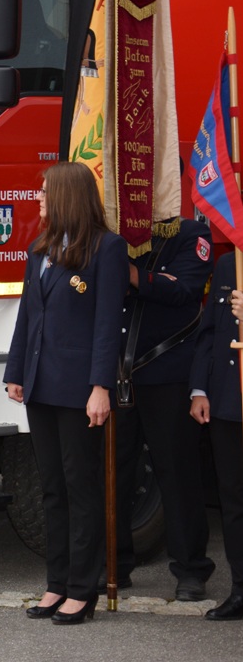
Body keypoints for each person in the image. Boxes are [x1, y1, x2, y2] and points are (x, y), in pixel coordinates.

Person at [4, 162, 127, 625]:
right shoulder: (41, 249)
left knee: (81, 488)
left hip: (79, 391)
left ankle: (83, 589)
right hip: (40, 386)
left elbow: (106, 326)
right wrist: (16, 371)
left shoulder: (107, 249)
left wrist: (101, 386)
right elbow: (27, 316)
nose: (38, 199)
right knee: (51, 489)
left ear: (67, 196)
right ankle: (56, 583)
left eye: (43, 193)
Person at [110, 216, 214, 599]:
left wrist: (132, 275)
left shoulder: (191, 233)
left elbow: (183, 290)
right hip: (118, 370)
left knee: (177, 472)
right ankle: (114, 563)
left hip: (167, 370)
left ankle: (191, 568)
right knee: (113, 473)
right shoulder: (114, 231)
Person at [189, 253, 243, 620]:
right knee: (234, 501)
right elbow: (209, 331)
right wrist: (199, 389)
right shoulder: (228, 265)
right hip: (227, 402)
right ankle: (240, 589)